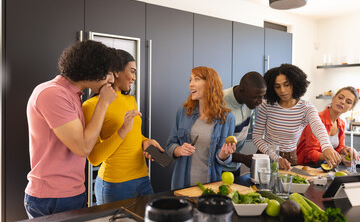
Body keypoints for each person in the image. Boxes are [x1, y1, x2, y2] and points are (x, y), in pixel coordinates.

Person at [24, 40, 118, 218]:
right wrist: (103, 103)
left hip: (71, 193)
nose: (112, 80)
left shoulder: (71, 95)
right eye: (108, 73)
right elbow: (82, 148)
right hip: (53, 197)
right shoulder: (53, 93)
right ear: (92, 70)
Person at [83, 49, 164, 204]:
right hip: (115, 185)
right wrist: (122, 130)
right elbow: (94, 158)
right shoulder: (91, 106)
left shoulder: (130, 100)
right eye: (132, 71)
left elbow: (133, 134)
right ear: (116, 72)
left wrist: (145, 141)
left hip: (143, 179)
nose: (134, 78)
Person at [252, 63, 342, 170]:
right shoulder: (267, 105)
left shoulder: (306, 107)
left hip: (290, 159)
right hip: (266, 156)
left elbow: (317, 125)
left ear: (295, 83)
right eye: (277, 86)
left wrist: (327, 147)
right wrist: (276, 157)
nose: (282, 90)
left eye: (287, 85)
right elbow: (257, 137)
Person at [166, 66, 236, 190]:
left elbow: (222, 159)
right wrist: (179, 150)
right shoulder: (183, 112)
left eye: (196, 79)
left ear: (210, 84)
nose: (191, 85)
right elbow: (170, 144)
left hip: (211, 185)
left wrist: (224, 154)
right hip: (182, 184)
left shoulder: (227, 118)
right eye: (190, 80)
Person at [222, 72, 267, 184]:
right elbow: (214, 148)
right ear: (242, 91)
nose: (260, 102)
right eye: (256, 97)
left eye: (262, 96)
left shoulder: (249, 103)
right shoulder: (220, 103)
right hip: (218, 168)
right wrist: (243, 158)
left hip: (234, 166)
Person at [297, 86, 359, 166]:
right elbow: (310, 153)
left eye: (348, 102)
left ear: (351, 108)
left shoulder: (341, 124)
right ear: (333, 98)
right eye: (340, 97)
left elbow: (338, 148)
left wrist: (345, 150)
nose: (342, 102)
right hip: (305, 167)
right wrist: (336, 157)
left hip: (325, 167)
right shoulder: (316, 120)